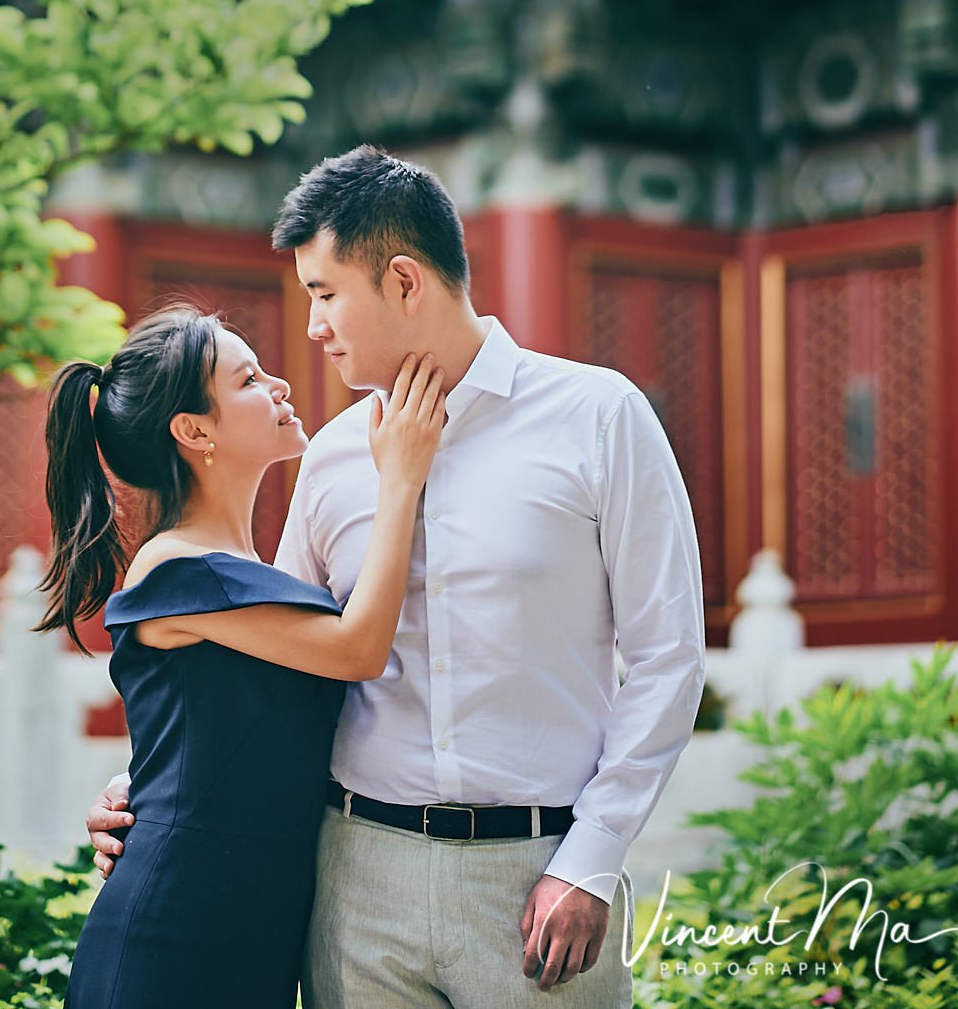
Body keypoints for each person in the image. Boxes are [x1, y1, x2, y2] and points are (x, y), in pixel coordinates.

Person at [86, 148, 707, 1006]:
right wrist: (143, 786)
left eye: (324, 293)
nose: (311, 327)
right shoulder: (330, 454)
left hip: (536, 879)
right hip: (354, 881)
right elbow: (272, 667)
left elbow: (669, 657)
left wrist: (591, 862)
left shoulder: (598, 418)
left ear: (405, 282)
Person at [41, 300, 445, 1009]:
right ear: (194, 430)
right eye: (249, 379)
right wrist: (401, 479)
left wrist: (137, 776)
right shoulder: (179, 569)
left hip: (244, 926)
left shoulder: (240, 571)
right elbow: (357, 650)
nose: (281, 385)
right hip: (177, 932)